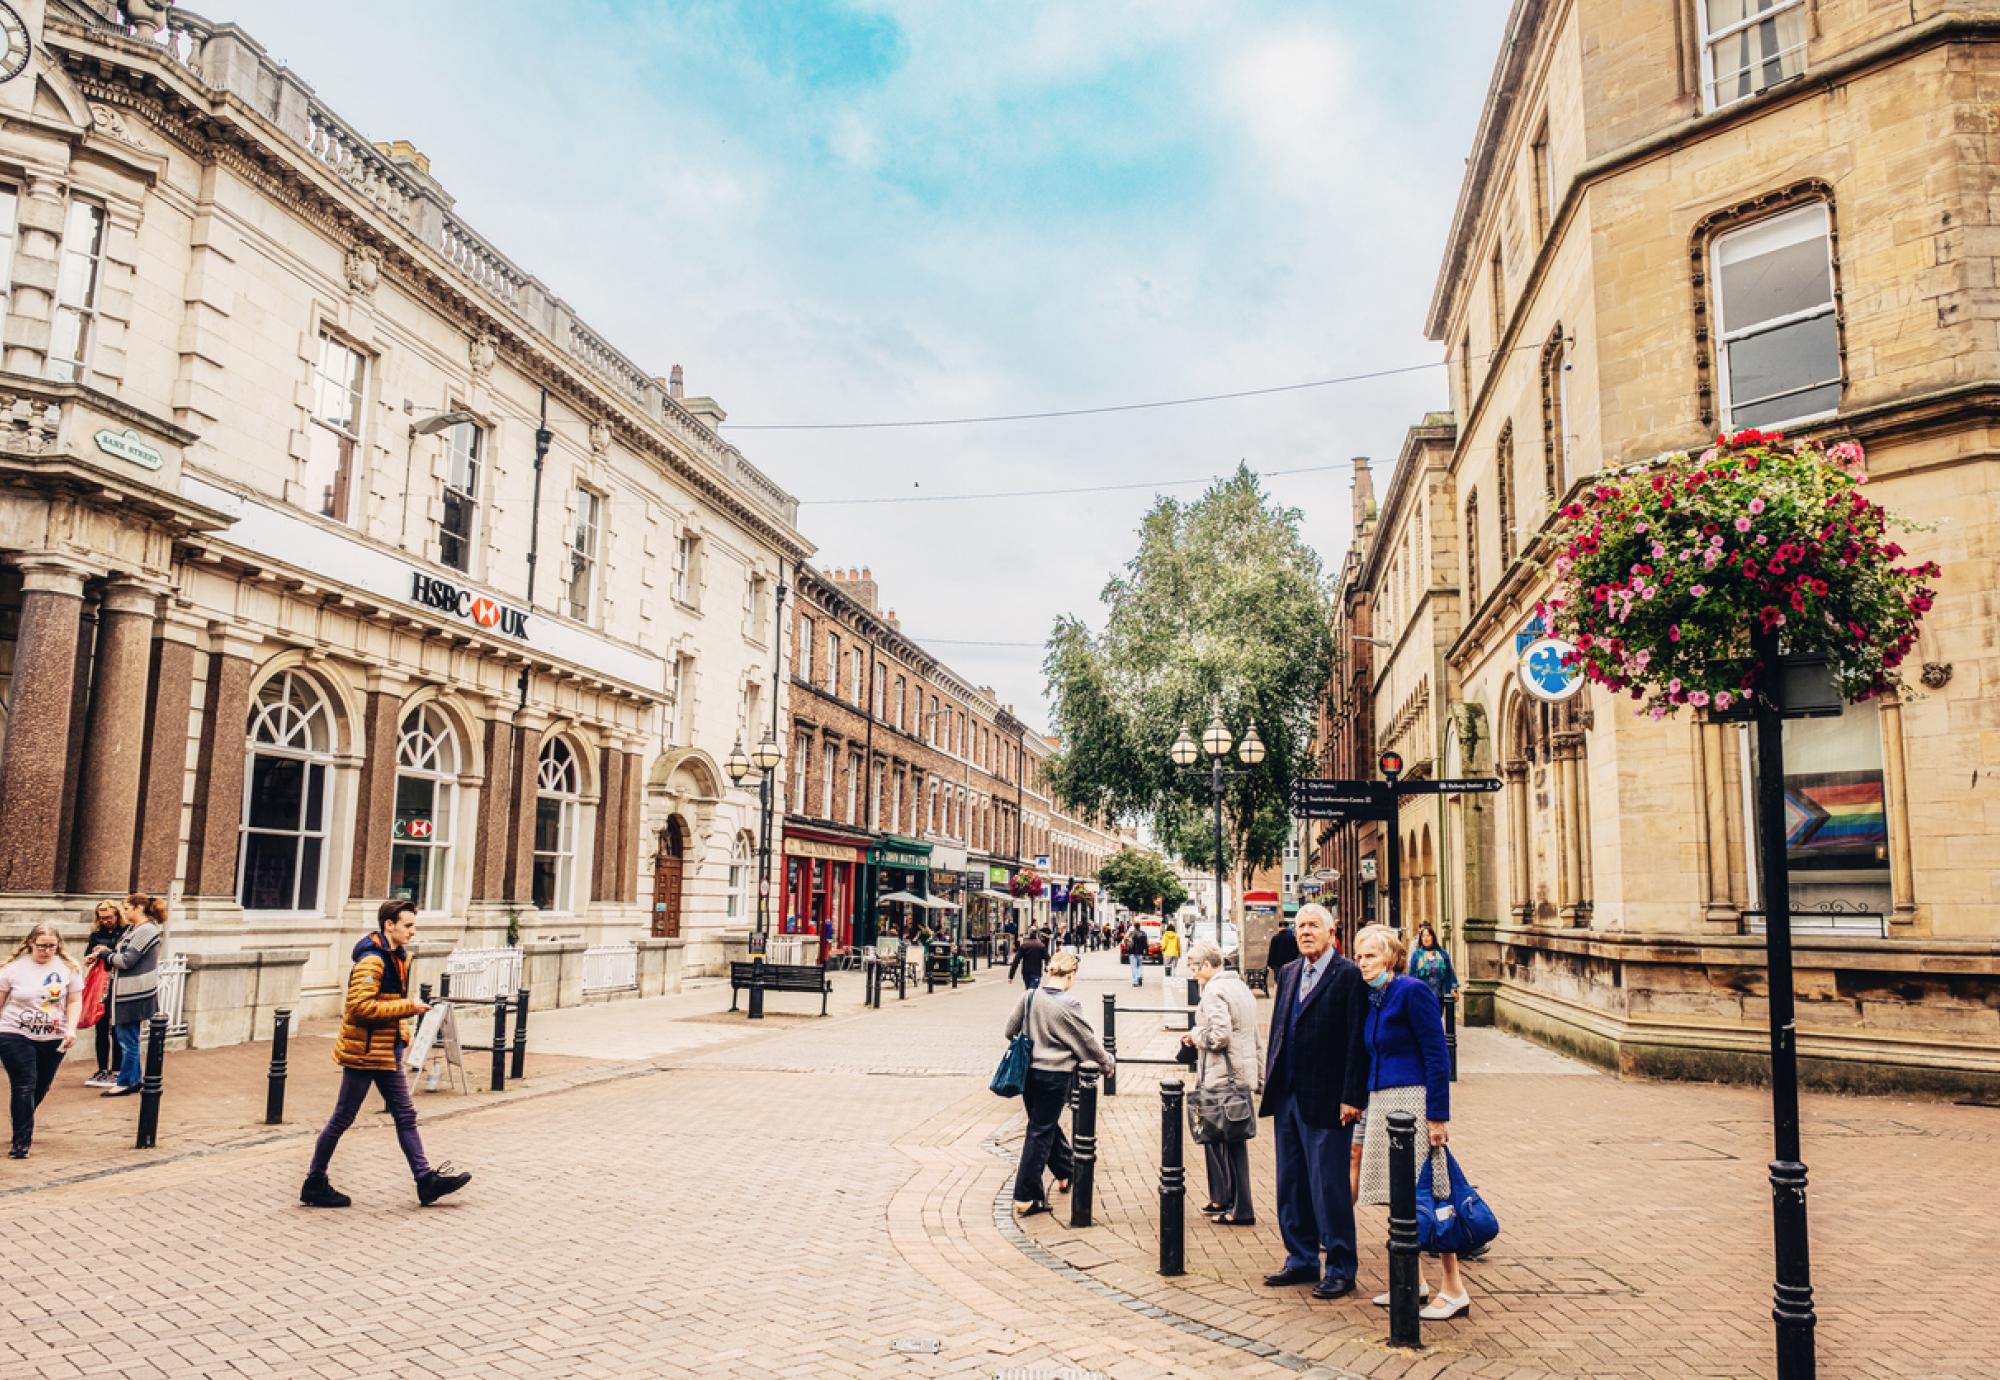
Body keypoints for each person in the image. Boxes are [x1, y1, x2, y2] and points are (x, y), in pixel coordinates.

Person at [301, 901, 471, 1208]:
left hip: (384, 1049)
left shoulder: (396, 957)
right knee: (342, 1117)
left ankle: (425, 1181)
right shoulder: (372, 961)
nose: (412, 931)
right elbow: (360, 1007)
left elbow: (385, 1002)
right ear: (389, 925)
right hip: (365, 1053)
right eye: (407, 925)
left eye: (413, 925)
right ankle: (315, 1181)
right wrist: (409, 1008)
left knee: (405, 1114)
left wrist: (401, 1033)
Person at [1256, 903, 1369, 1300]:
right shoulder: (1288, 972)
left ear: (1331, 932)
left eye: (1313, 926)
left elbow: (1358, 1041)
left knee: (1329, 1185)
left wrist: (1353, 1097)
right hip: (1288, 1095)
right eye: (1300, 925)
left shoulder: (1348, 975)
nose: (1305, 932)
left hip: (1327, 1098)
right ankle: (1300, 1257)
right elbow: (1279, 1030)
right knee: (1291, 1182)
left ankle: (1340, 1265)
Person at [1353, 922, 1465, 1321]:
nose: (1363, 963)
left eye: (1370, 956)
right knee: (1399, 1196)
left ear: (1392, 957)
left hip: (1414, 1102)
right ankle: (1411, 1281)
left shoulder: (1411, 991)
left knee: (1430, 1195)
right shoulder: (1375, 997)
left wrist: (1437, 1116)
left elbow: (1437, 1054)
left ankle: (1453, 1288)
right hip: (1382, 1101)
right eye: (1359, 956)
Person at [1002, 950, 1113, 1217]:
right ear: (1071, 974)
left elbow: (1009, 1031)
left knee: (1044, 1125)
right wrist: (1107, 1063)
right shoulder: (1069, 1005)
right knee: (1039, 1132)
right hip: (1055, 1076)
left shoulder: (1029, 996)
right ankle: (1025, 1196)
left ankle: (1065, 1171)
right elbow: (1086, 1041)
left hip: (1028, 1073)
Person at [1182, 940, 1259, 1225]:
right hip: (1239, 1075)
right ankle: (1225, 1199)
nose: (1192, 974)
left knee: (1224, 1138)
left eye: (1193, 967)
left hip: (1221, 1076)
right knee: (1229, 1140)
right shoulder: (1240, 987)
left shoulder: (1214, 991)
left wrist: (1195, 1034)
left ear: (1206, 965)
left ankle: (1239, 1207)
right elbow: (1253, 1037)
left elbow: (1219, 1036)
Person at [0, 923, 84, 1158]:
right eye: (42, 946)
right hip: (13, 1032)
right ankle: (21, 1143)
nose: (46, 951)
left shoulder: (68, 968)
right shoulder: (12, 969)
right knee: (24, 1083)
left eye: (51, 947)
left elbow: (74, 1001)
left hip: (53, 1035)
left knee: (41, 1085)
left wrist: (71, 1028)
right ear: (30, 944)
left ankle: (21, 1113)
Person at [95, 893, 165, 1098]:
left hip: (134, 992)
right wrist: (107, 951)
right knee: (127, 1037)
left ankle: (126, 1081)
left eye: (126, 908)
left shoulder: (146, 930)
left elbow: (127, 961)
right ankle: (133, 1079)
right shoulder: (136, 929)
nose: (124, 912)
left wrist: (105, 954)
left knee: (127, 1039)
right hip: (128, 991)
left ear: (138, 908)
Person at [82, 900, 121, 1088]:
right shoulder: (97, 934)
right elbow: (86, 957)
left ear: (117, 915)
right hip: (101, 984)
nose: (105, 921)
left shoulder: (126, 932)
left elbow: (124, 956)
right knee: (101, 1027)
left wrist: (107, 951)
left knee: (117, 1028)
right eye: (101, 918)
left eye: (109, 917)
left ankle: (117, 1069)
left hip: (118, 983)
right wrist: (91, 957)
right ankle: (102, 1068)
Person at [1410, 923, 1459, 1012]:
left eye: (1428, 935)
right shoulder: (1417, 955)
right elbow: (1411, 975)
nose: (1425, 938)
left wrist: (1454, 988)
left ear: (1433, 937)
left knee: (1437, 1018)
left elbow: (1449, 972)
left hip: (1439, 995)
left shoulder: (1442, 953)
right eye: (1423, 936)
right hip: (1422, 994)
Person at [1264, 919, 1300, 993]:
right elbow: (1297, 951)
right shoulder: (1292, 938)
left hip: (1278, 965)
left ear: (1279, 927)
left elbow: (1272, 952)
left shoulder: (1275, 938)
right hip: (1291, 963)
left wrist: (1269, 964)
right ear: (1287, 927)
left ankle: (1280, 995)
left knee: (1279, 981)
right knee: (1289, 981)